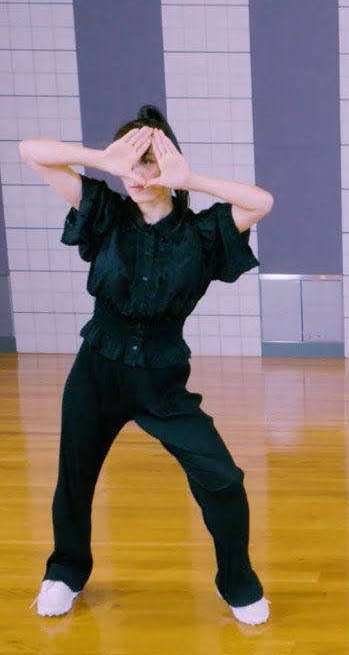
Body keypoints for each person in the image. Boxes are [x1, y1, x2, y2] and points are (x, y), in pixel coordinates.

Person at [19, 104, 275, 625]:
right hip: (97, 368)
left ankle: (236, 581)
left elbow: (261, 201)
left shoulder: (203, 234)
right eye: (129, 166)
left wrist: (191, 179)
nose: (136, 178)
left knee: (222, 478)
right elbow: (32, 153)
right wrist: (104, 159)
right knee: (75, 477)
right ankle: (65, 572)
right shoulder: (105, 211)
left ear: (171, 168)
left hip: (161, 377)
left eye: (148, 165)